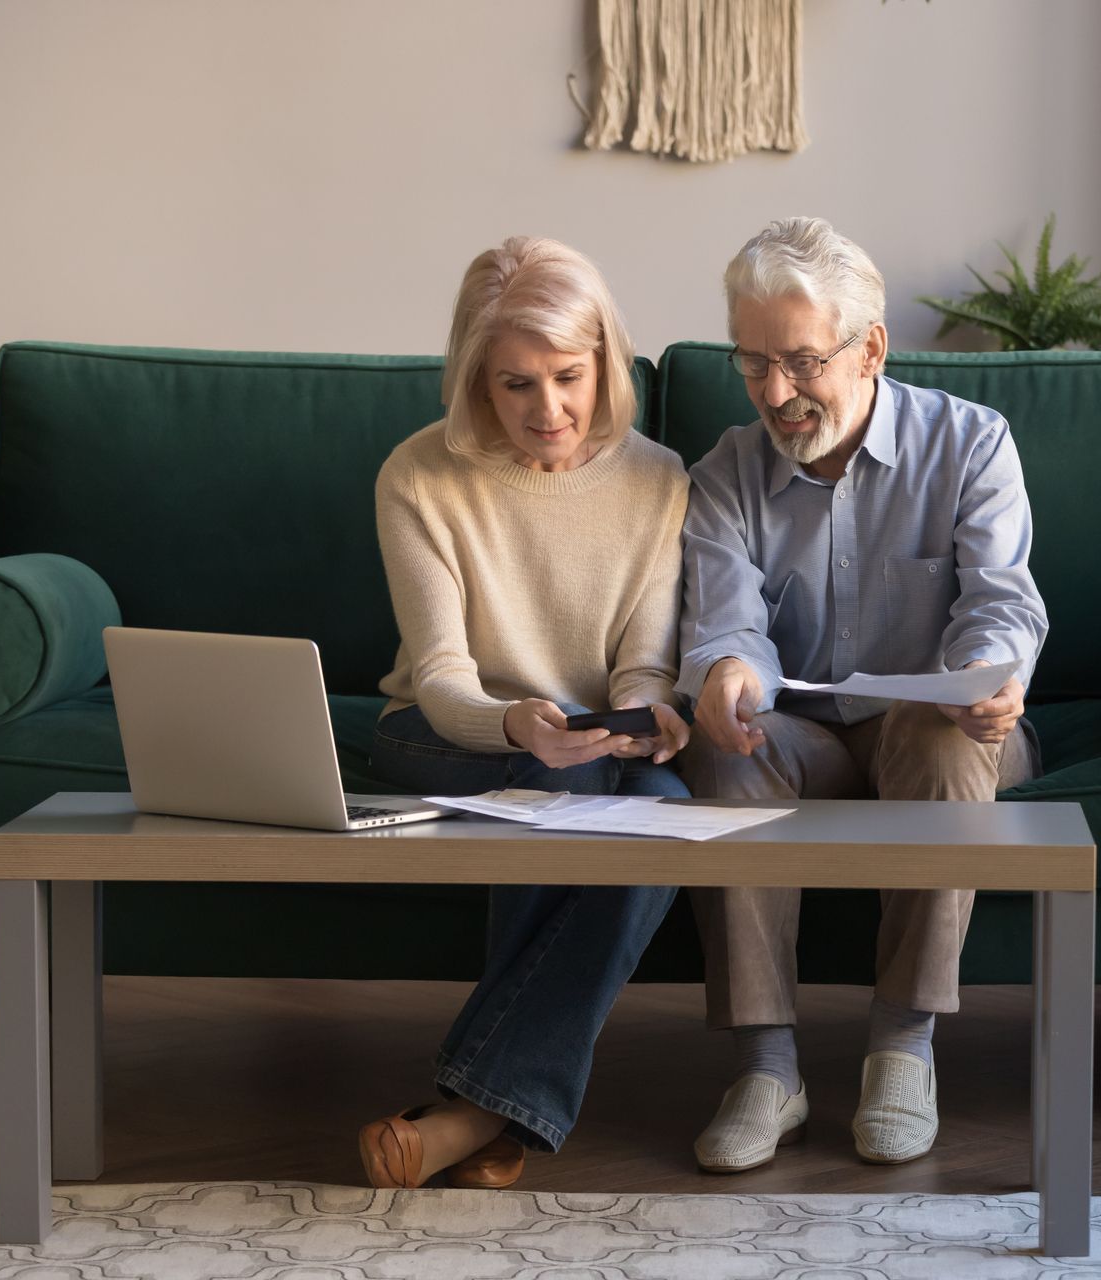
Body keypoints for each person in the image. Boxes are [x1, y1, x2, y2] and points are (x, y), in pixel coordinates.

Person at [676, 216, 1048, 1173]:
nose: (775, 393)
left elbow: (1001, 606)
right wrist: (727, 676)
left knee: (941, 731)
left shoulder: (971, 444)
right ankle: (768, 1070)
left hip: (939, 732)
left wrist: (991, 680)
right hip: (803, 736)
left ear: (870, 348)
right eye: (752, 364)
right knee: (722, 738)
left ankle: (903, 1048)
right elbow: (728, 621)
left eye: (800, 362)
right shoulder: (724, 473)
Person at [359, 236, 691, 1190]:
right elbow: (442, 677)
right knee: (568, 770)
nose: (549, 410)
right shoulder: (418, 477)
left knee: (665, 806)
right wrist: (519, 726)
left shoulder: (660, 479)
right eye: (516, 386)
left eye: (570, 378)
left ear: (606, 364)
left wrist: (647, 713)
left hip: (583, 739)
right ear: (475, 379)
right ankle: (490, 1109)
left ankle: (475, 1111)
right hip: (442, 730)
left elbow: (645, 661)